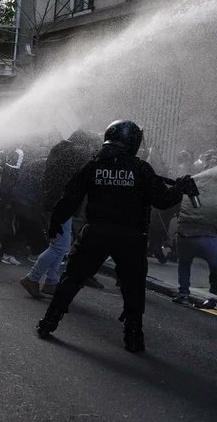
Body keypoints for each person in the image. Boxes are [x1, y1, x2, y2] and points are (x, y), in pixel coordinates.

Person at [36, 120, 189, 353]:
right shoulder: (141, 170)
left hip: (96, 232)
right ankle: (133, 337)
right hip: (131, 237)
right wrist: (180, 188)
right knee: (133, 288)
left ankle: (48, 323)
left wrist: (56, 222)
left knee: (73, 278)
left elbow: (70, 196)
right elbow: (163, 201)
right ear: (134, 143)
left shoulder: (94, 166)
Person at [21, 130, 98, 297]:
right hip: (61, 204)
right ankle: (32, 278)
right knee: (60, 246)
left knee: (60, 244)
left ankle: (51, 282)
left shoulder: (60, 148)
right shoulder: (78, 152)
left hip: (53, 201)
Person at [172, 166, 217, 305]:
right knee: (215, 264)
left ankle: (183, 294)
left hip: (184, 232)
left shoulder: (191, 185)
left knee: (184, 264)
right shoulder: (213, 191)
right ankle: (214, 291)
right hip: (206, 235)